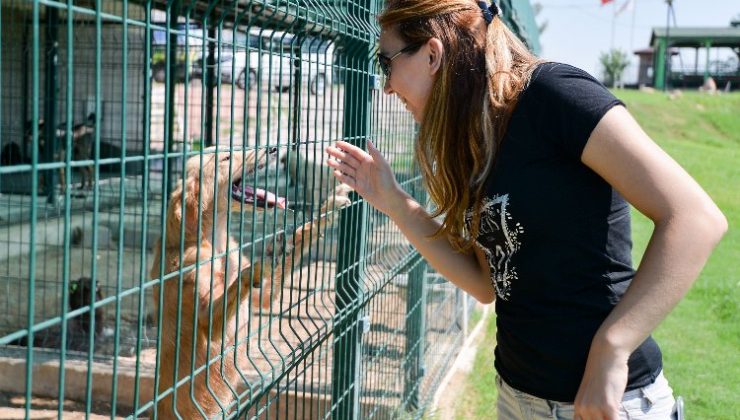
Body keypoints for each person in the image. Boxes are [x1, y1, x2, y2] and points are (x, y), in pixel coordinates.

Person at [326, 0, 727, 419]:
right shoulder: (476, 136)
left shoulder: (553, 94)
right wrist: (395, 202)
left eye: (384, 62)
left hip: (605, 402)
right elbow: (486, 283)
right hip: (518, 398)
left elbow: (696, 219)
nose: (385, 86)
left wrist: (614, 347)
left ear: (432, 53)